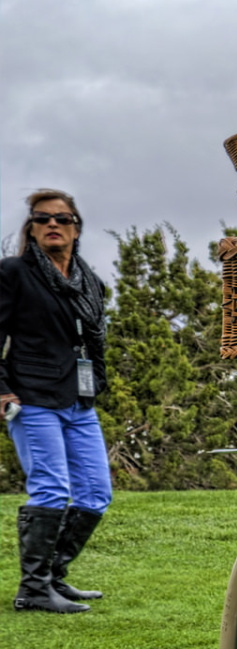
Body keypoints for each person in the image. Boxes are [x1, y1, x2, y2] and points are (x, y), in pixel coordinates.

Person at [1, 189, 112, 613]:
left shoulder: (87, 281)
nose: (52, 224)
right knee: (50, 489)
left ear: (76, 228)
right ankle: (32, 589)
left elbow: (95, 340)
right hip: (31, 398)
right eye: (42, 218)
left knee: (96, 492)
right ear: (30, 228)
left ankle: (53, 578)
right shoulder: (13, 273)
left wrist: (96, 382)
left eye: (62, 219)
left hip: (78, 401)